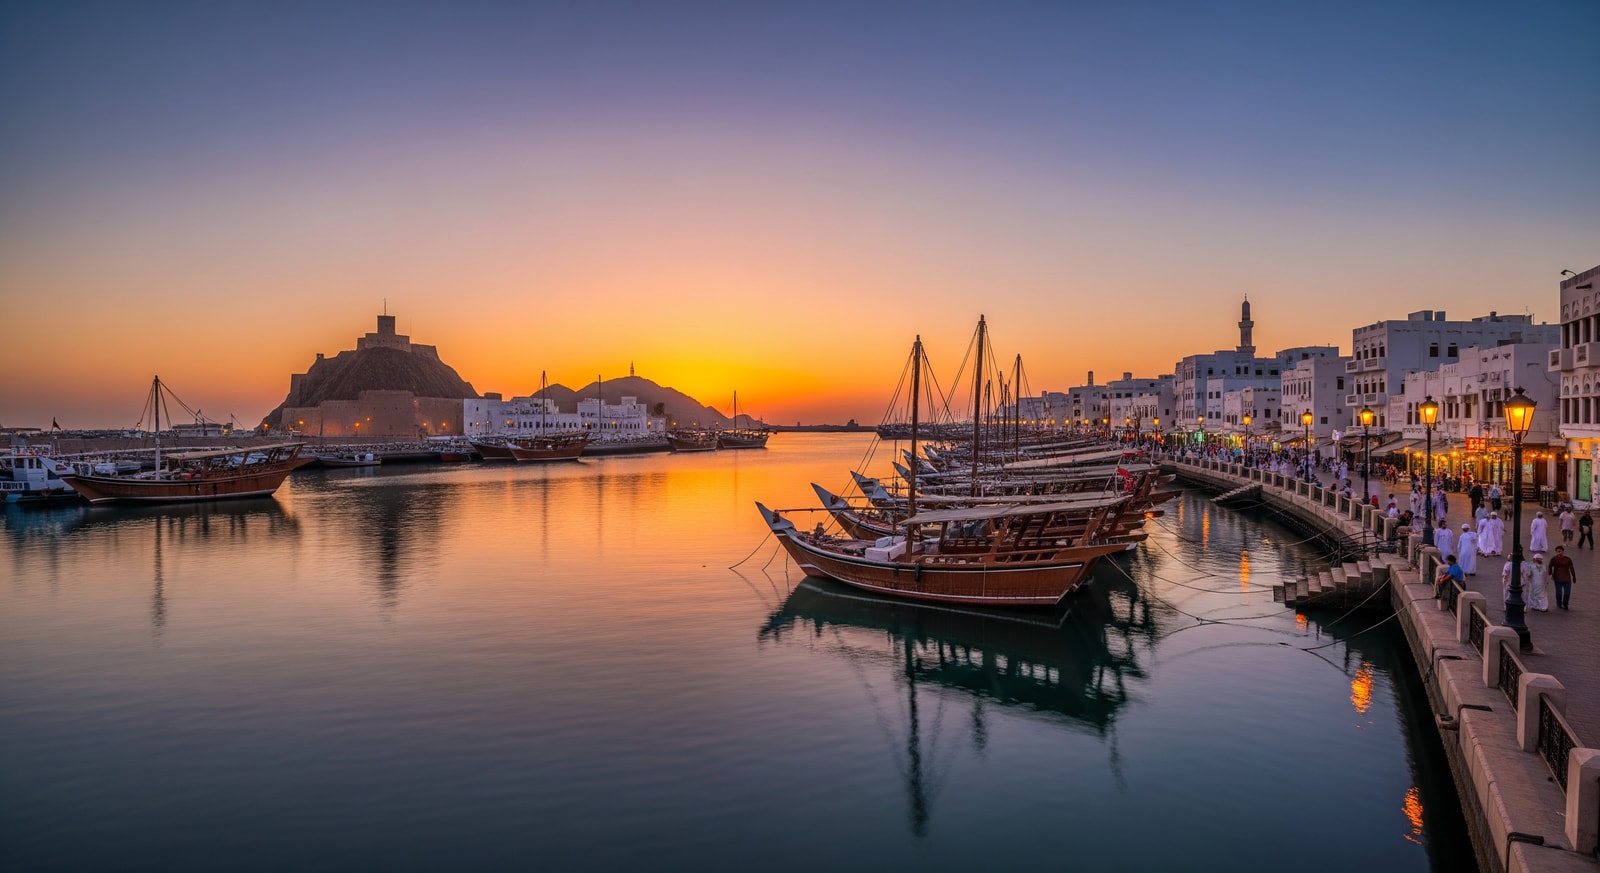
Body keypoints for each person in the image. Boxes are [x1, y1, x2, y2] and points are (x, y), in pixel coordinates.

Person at [1549, 545, 1576, 611]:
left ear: (1563, 551)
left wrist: (1574, 576)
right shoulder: (1554, 559)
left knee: (1567, 592)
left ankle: (1565, 604)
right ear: (1556, 552)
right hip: (1557, 578)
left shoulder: (1568, 559)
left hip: (1567, 578)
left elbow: (1571, 568)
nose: (1559, 553)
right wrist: (1550, 574)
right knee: (1559, 593)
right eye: (1558, 551)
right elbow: (1550, 566)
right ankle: (1559, 603)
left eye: (1560, 551)